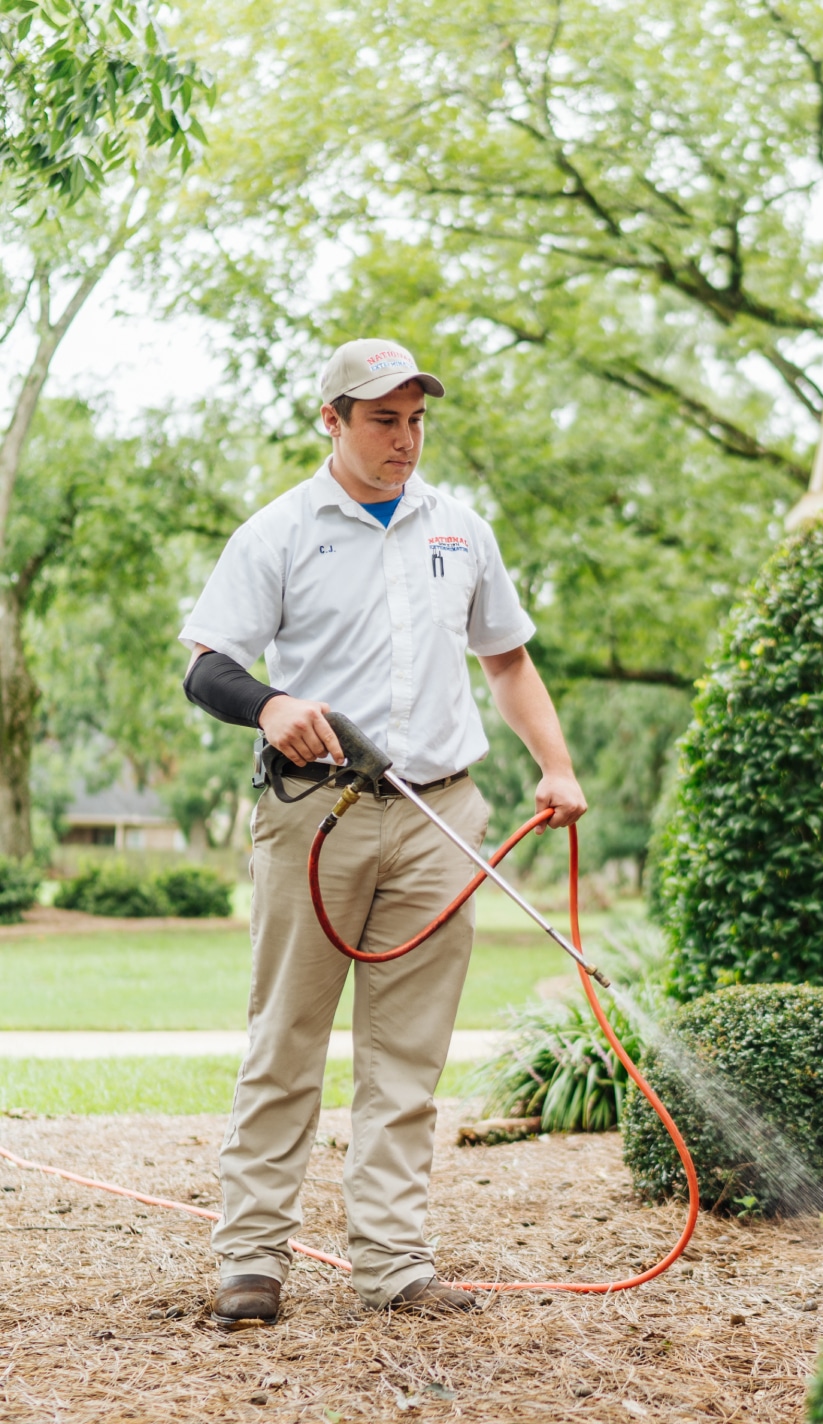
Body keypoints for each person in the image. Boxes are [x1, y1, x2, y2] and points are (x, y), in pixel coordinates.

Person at [179, 338, 587, 1326]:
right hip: (319, 813)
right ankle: (251, 1261)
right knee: (286, 1039)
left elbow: (508, 662)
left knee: (406, 1057)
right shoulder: (279, 531)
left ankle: (394, 1263)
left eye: (414, 420)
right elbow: (207, 666)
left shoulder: (460, 529)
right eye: (382, 420)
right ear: (333, 420)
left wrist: (558, 762)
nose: (404, 439)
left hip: (442, 812)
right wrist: (271, 705)